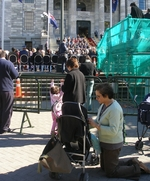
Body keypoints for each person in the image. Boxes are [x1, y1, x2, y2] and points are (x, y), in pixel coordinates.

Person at [88, 83, 150, 180]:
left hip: (112, 143)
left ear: (106, 96)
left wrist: (95, 125)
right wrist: (90, 122)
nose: (96, 98)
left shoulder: (114, 109)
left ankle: (137, 168)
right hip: (104, 141)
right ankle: (132, 162)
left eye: (98, 96)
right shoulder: (104, 105)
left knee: (111, 172)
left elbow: (113, 130)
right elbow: (99, 120)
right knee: (104, 168)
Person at [0, 50, 19, 134]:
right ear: (5, 55)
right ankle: (4, 127)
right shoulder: (8, 63)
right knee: (7, 109)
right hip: (7, 89)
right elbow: (15, 75)